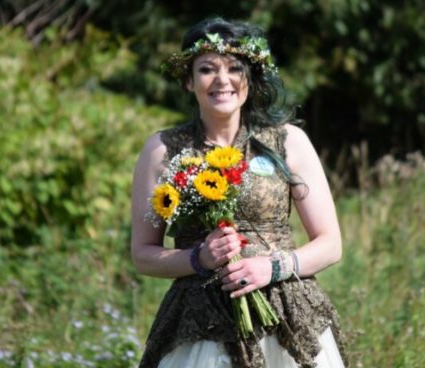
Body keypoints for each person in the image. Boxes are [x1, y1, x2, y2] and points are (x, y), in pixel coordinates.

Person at [131, 17, 347, 368]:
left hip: (286, 316)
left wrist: (272, 268)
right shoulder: (162, 150)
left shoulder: (288, 141)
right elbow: (142, 254)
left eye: (234, 68)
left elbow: (330, 243)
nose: (222, 80)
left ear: (250, 77)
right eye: (206, 69)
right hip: (200, 324)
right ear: (189, 80)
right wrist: (197, 259)